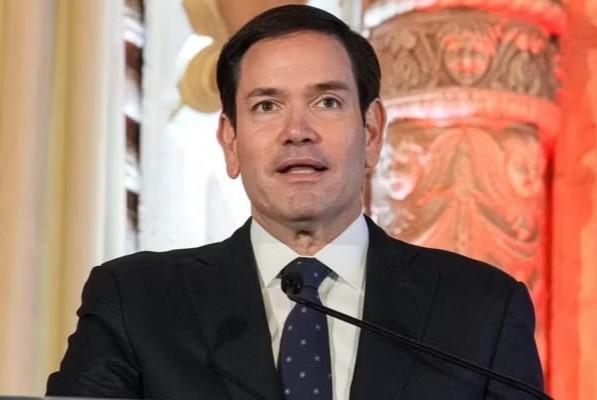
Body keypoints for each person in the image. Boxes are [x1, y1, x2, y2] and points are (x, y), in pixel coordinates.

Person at [46, 5, 544, 400]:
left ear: (372, 132)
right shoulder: (137, 303)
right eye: (267, 106)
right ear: (231, 142)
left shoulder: (481, 310)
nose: (297, 132)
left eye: (327, 102)